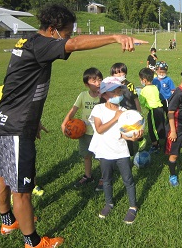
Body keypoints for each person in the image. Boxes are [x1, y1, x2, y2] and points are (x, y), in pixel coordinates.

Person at [0, 4, 147, 248]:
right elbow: (74, 44)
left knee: (4, 174)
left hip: (5, 119)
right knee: (21, 188)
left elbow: (15, 83)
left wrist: (31, 118)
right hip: (16, 127)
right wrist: (116, 37)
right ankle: (33, 242)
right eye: (65, 33)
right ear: (52, 30)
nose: (67, 38)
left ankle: (8, 221)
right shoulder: (43, 44)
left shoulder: (29, 41)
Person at [88, 77, 143, 224]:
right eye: (114, 92)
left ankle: (132, 206)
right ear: (104, 95)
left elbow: (124, 133)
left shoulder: (124, 111)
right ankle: (109, 203)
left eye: (119, 91)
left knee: (128, 180)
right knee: (107, 180)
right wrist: (115, 118)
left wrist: (134, 138)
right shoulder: (98, 109)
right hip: (105, 152)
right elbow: (99, 129)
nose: (118, 94)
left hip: (121, 151)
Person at [61, 67, 103, 190]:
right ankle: (88, 176)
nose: (98, 83)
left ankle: (103, 177)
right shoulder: (83, 96)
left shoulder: (104, 96)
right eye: (94, 81)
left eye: (100, 80)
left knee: (101, 157)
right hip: (84, 133)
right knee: (86, 155)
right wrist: (64, 123)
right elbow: (73, 110)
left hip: (99, 132)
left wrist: (103, 96)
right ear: (86, 84)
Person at [110, 62, 143, 156]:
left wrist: (139, 112)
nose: (120, 75)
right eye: (117, 73)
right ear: (112, 75)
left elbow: (135, 99)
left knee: (129, 132)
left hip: (130, 112)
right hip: (118, 113)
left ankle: (130, 152)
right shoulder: (111, 87)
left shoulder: (130, 85)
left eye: (122, 72)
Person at [138, 68, 166, 153]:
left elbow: (142, 102)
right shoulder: (154, 87)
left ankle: (155, 146)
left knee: (152, 129)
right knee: (161, 126)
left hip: (154, 111)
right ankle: (165, 141)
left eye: (140, 79)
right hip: (160, 109)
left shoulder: (144, 90)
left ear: (144, 80)